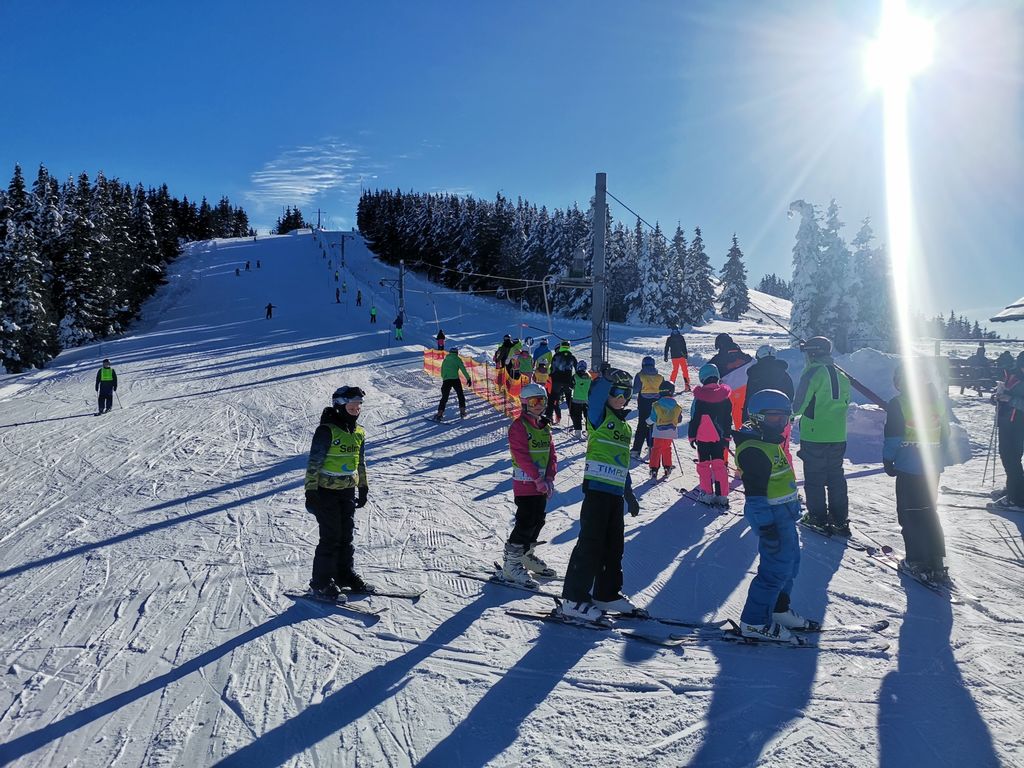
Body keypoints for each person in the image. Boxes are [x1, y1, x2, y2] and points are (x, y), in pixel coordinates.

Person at [559, 368, 642, 623]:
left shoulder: (625, 427)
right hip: (596, 489)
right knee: (590, 544)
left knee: (614, 546)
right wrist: (606, 379)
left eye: (625, 394)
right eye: (616, 392)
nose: (620, 397)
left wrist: (629, 494)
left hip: (615, 493)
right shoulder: (598, 415)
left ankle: (606, 593)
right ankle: (573, 599)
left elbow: (623, 462)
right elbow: (595, 397)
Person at [735, 389, 814, 642]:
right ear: (757, 418)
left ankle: (778, 609)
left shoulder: (768, 442)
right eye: (773, 418)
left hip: (785, 515)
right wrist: (766, 526)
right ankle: (754, 622)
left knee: (790, 566)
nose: (780, 424)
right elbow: (755, 495)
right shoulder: (754, 450)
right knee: (774, 571)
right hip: (771, 518)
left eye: (784, 419)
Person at [883, 363, 952, 583]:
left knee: (910, 514)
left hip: (909, 468)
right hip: (931, 469)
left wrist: (888, 459)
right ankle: (935, 560)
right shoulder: (936, 402)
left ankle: (916, 559)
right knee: (929, 512)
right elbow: (945, 435)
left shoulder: (899, 403)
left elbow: (893, 436)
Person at [304, 386, 371, 600]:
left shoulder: (359, 431)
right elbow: (314, 462)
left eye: (359, 404)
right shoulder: (327, 430)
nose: (356, 408)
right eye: (352, 404)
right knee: (330, 537)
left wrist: (363, 486)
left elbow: (359, 462)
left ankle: (344, 575)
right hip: (326, 491)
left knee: (346, 536)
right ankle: (320, 582)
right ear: (340, 405)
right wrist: (311, 491)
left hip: (347, 491)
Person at [794, 336, 852, 536]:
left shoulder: (812, 373)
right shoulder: (841, 375)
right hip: (837, 435)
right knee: (836, 476)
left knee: (815, 477)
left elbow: (799, 404)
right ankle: (840, 520)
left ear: (812, 353)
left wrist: (785, 417)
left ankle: (817, 517)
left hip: (814, 434)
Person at [502, 382, 559, 586]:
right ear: (525, 403)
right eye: (534, 401)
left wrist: (550, 477)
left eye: (541, 401)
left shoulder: (544, 426)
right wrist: (537, 479)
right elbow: (522, 456)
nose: (538, 405)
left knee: (538, 520)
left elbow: (551, 454)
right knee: (525, 522)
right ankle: (511, 563)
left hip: (541, 484)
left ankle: (525, 554)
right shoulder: (519, 426)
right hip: (526, 484)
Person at [688, 363, 733, 506]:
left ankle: (707, 493)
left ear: (702, 378)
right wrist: (726, 436)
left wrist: (692, 435)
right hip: (719, 438)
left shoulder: (699, 397)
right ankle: (722, 495)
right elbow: (728, 419)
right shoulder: (725, 397)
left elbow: (694, 417)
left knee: (704, 465)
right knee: (719, 465)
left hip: (703, 437)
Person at [743, 344, 796, 465]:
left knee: (760, 448)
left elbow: (749, 398)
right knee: (783, 450)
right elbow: (790, 395)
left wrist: (745, 419)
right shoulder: (784, 374)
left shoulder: (754, 375)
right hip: (782, 419)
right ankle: (788, 477)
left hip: (759, 419)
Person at [992, 351, 1024, 512]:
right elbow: (1007, 393)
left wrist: (1010, 400)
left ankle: (1017, 498)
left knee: (1012, 461)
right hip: (1007, 422)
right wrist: (997, 396)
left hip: (1018, 425)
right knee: (1009, 459)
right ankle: (1013, 489)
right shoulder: (1014, 376)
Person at [708, 333, 754, 431]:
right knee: (740, 416)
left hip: (728, 391)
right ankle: (742, 437)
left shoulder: (719, 358)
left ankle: (724, 442)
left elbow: (709, 369)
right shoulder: (743, 355)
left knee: (723, 417)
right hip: (745, 389)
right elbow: (753, 363)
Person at [647, 381, 682, 479]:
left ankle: (654, 469)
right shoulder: (676, 406)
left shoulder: (656, 405)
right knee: (667, 448)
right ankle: (667, 467)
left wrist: (647, 422)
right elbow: (679, 419)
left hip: (658, 431)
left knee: (656, 449)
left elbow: (653, 418)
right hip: (671, 431)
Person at [630, 356, 664, 458]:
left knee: (642, 425)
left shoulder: (640, 375)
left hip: (644, 402)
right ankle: (652, 448)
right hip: (656, 402)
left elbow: (636, 389)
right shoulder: (660, 377)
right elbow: (663, 391)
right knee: (653, 425)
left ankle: (636, 450)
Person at [436, 347, 472, 421]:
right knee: (460, 395)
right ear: (456, 353)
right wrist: (468, 378)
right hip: (455, 379)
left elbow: (442, 370)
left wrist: (444, 378)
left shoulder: (446, 359)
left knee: (444, 397)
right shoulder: (458, 359)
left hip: (447, 380)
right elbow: (463, 369)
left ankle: (440, 413)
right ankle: (462, 412)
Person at [548, 340, 577, 423]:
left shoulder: (556, 356)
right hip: (567, 380)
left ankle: (549, 418)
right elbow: (577, 369)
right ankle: (575, 420)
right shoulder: (572, 357)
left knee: (552, 399)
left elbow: (552, 369)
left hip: (557, 380)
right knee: (569, 400)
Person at [569, 360, 592, 439]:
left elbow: (570, 386)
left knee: (577, 415)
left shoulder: (575, 376)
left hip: (576, 399)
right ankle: (589, 432)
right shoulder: (589, 376)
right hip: (586, 400)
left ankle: (578, 432)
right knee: (587, 416)